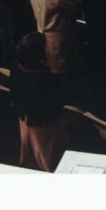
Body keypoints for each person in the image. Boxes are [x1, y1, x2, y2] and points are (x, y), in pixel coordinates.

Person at [9, 31, 66, 171]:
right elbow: (56, 104)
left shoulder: (17, 66)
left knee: (29, 153)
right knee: (48, 158)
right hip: (44, 125)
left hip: (24, 119)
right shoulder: (45, 79)